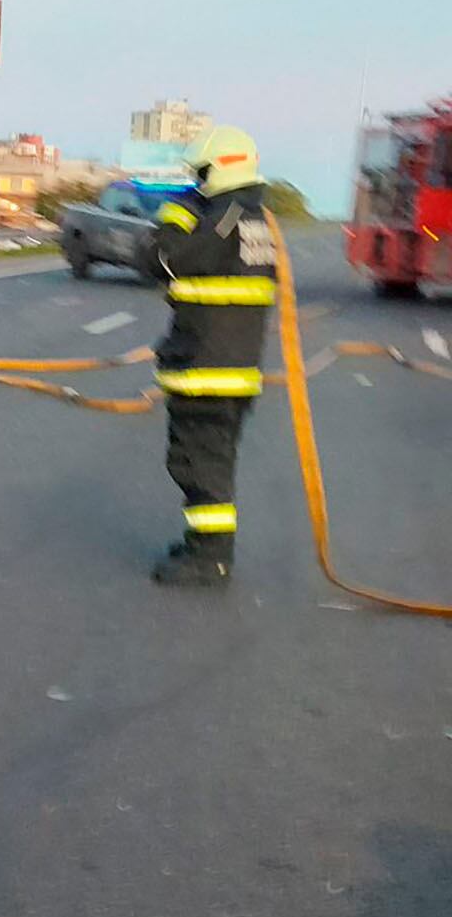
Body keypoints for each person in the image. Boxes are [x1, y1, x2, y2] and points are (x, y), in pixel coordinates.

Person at [148, 125, 278, 586]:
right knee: (209, 461)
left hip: (208, 369)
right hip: (231, 369)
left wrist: (173, 216)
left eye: (200, 173)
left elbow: (163, 260)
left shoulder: (223, 218)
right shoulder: (255, 219)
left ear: (220, 167)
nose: (197, 183)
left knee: (199, 464)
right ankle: (204, 545)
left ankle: (210, 558)